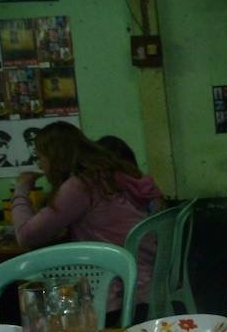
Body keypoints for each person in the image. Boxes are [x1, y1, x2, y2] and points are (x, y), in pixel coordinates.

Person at [11, 121, 163, 320]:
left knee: (21, 300)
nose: (40, 165)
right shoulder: (113, 173)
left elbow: (25, 235)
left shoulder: (81, 185)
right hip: (149, 279)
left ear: (55, 156)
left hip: (119, 291)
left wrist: (21, 189)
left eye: (40, 157)